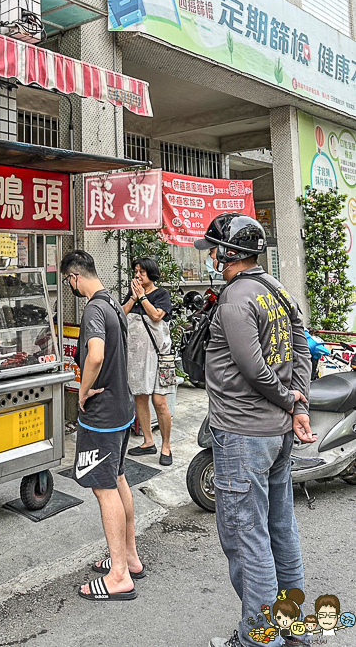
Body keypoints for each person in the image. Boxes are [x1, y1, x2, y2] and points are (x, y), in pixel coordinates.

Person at [194, 213, 314, 647]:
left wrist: (287, 399)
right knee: (280, 527)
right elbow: (301, 345)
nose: (210, 256)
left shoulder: (234, 299)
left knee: (248, 537)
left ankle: (260, 638)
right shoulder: (276, 289)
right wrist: (299, 401)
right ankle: (290, 623)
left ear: (229, 253)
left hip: (243, 434)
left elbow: (254, 370)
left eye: (214, 249)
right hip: (277, 434)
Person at [60, 250, 144, 601]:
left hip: (103, 414)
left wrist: (80, 392)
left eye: (68, 282)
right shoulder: (111, 302)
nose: (70, 287)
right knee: (118, 478)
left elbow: (94, 354)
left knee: (104, 487)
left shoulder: (94, 308)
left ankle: (119, 575)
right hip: (121, 408)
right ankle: (129, 557)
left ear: (76, 277)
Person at [122, 257, 174, 465]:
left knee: (160, 401)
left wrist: (142, 297)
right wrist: (134, 298)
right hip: (137, 356)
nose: (137, 275)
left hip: (160, 356)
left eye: (141, 272)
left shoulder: (162, 294)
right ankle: (148, 441)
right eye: (136, 272)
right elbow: (122, 314)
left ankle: (166, 446)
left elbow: (156, 316)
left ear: (151, 274)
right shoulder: (133, 294)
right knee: (140, 397)